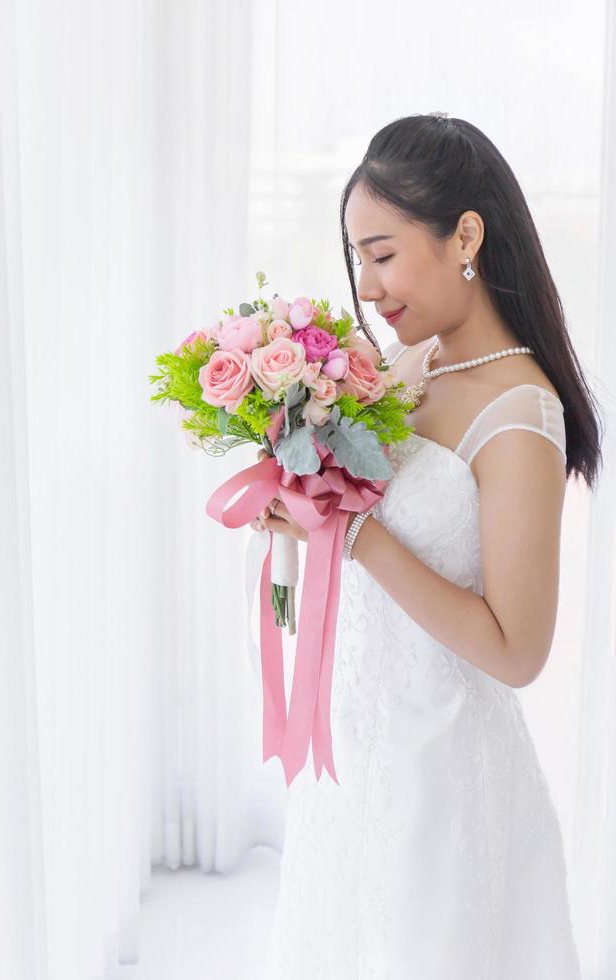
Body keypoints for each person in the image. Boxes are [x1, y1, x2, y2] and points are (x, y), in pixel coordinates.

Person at [250, 113, 603, 978]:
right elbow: (356, 530)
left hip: (438, 776)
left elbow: (518, 652)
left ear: (466, 237)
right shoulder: (412, 367)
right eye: (357, 259)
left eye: (381, 253)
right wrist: (301, 504)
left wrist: (356, 535)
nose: (366, 289)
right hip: (352, 754)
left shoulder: (521, 414)